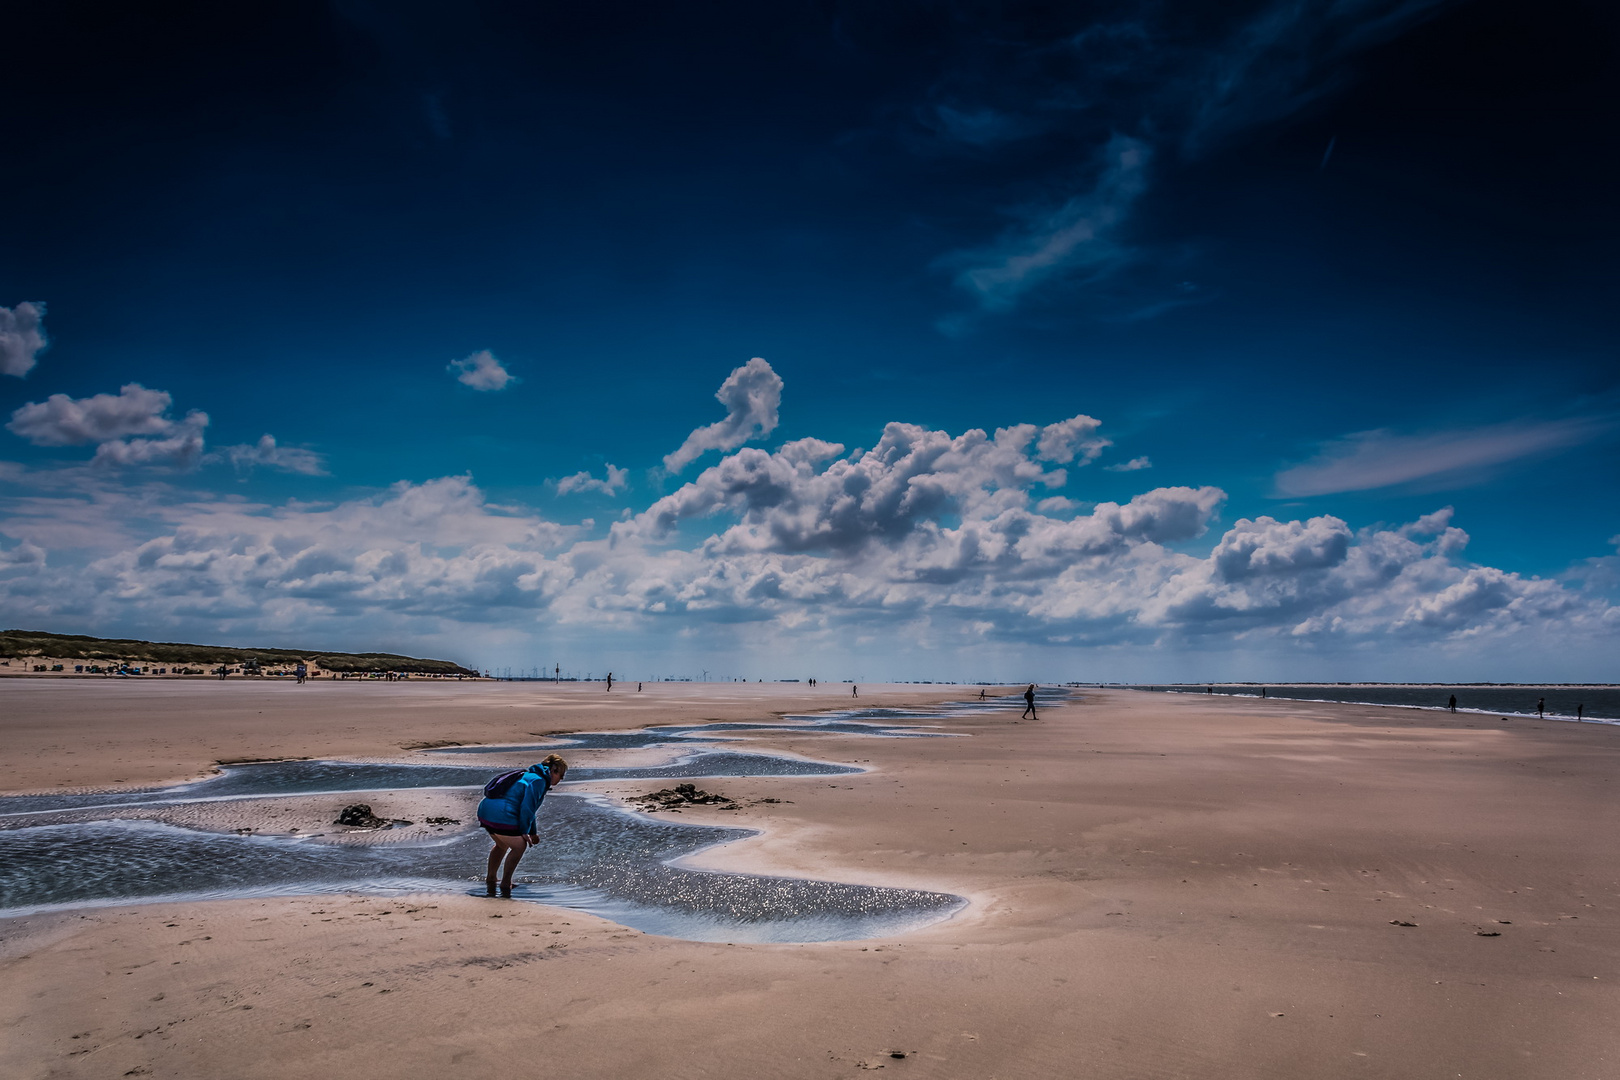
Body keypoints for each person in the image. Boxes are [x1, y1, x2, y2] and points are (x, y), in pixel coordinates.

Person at [477, 754, 567, 898]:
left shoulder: (527, 775)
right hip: (500, 814)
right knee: (519, 846)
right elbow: (527, 808)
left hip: (485, 812)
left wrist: (533, 832)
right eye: (561, 776)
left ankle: (491, 878)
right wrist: (525, 832)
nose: (560, 780)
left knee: (501, 845)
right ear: (554, 771)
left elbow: (531, 810)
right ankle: (506, 883)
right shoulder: (539, 781)